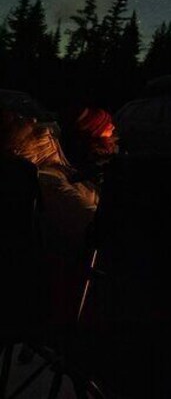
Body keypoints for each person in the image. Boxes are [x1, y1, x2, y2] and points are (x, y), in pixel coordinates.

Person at [1, 112, 99, 330]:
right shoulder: (44, 180)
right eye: (22, 121)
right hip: (64, 284)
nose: (35, 122)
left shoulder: (53, 174)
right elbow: (92, 224)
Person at [60, 106, 119, 185]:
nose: (113, 126)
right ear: (96, 131)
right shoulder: (92, 155)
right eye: (107, 125)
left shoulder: (112, 144)